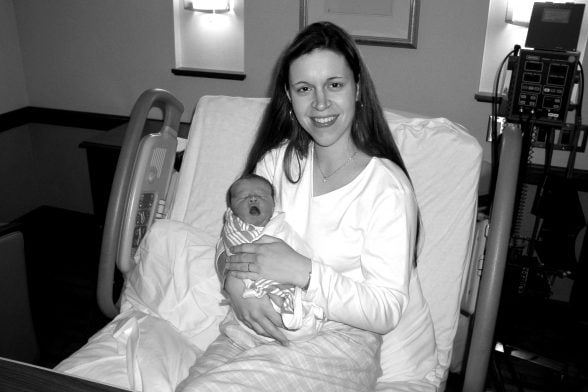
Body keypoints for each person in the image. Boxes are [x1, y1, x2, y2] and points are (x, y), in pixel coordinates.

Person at [176, 21, 430, 391]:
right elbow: (233, 236)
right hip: (248, 330)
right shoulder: (275, 165)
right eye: (305, 88)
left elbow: (386, 309)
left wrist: (305, 272)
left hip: (339, 343)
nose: (321, 103)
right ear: (289, 97)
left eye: (335, 85)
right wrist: (232, 284)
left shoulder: (385, 188)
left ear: (357, 89)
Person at [217, 174, 324, 347]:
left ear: (273, 204)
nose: (252, 198)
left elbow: (304, 257)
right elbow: (224, 256)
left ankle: (294, 320)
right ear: (231, 209)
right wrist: (233, 281)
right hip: (248, 303)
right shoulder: (232, 231)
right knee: (237, 326)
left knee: (295, 307)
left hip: (285, 285)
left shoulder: (280, 228)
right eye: (243, 197)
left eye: (261, 196)